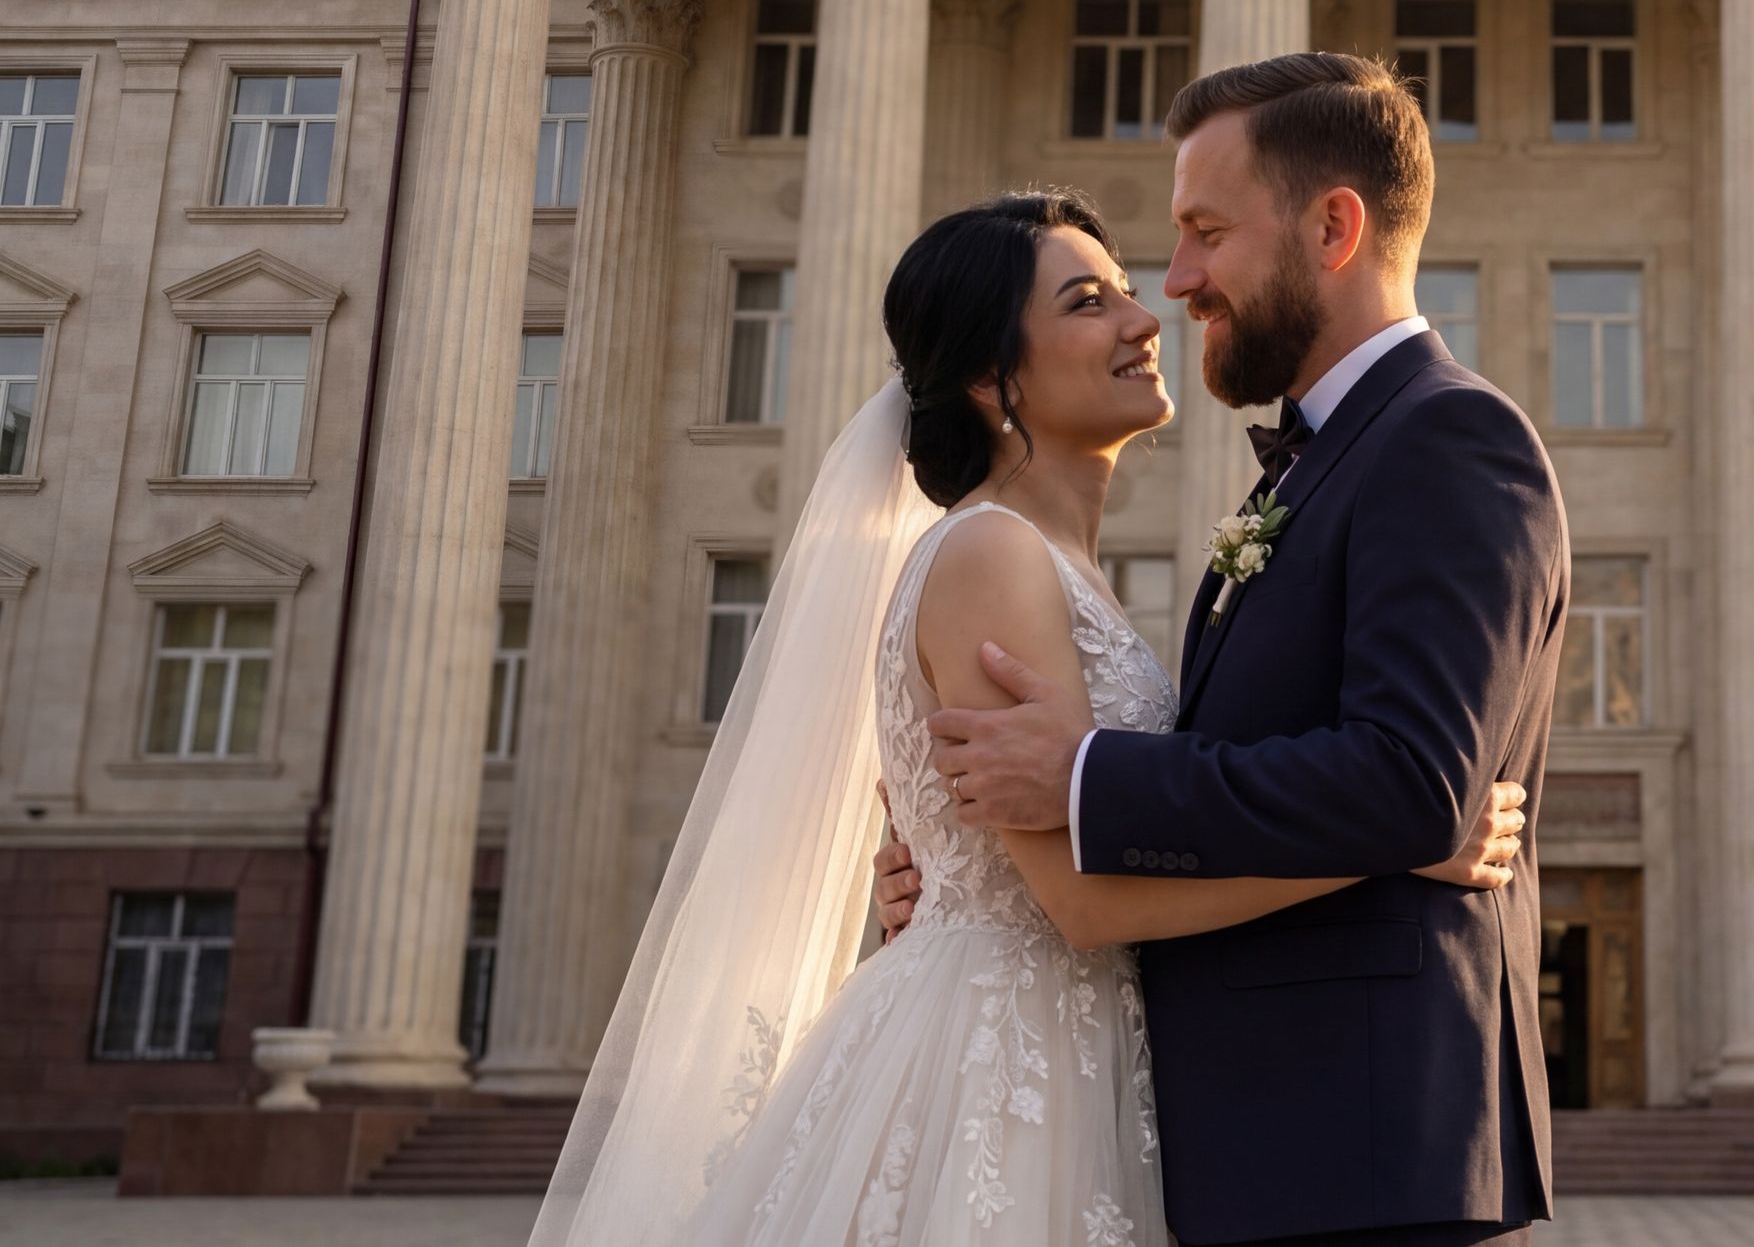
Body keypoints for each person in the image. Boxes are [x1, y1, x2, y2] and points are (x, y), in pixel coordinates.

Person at [525, 188, 1527, 1246]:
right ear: (991, 379)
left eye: (1130, 293)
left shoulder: (1057, 567)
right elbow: (1082, 906)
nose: (1146, 320)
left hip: (1085, 1051)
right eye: (1090, 302)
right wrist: (1398, 840)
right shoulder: (992, 555)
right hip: (1001, 1069)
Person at [886, 53, 1570, 1246]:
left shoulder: (1445, 438)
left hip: (1358, 1155)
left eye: (1204, 234)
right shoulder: (1298, 472)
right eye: (1094, 298)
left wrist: (1090, 779)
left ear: (1333, 227)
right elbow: (1398, 800)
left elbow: (1412, 777)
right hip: (1226, 1142)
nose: (1175, 286)